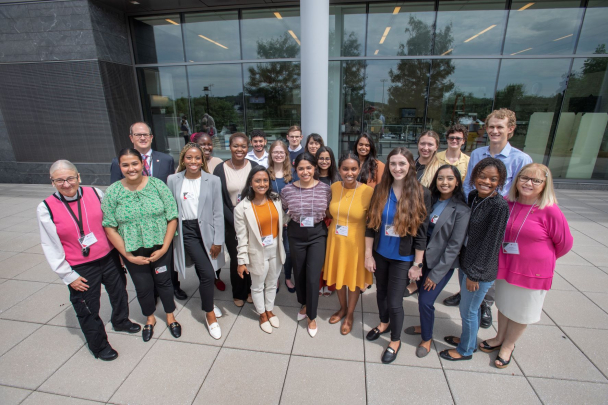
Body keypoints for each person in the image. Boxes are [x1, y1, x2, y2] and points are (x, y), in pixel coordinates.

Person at [37, 160, 140, 361]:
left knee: (119, 292)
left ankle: (120, 320)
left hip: (108, 256)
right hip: (80, 266)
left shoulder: (95, 193)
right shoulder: (45, 208)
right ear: (52, 182)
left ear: (79, 177)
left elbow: (111, 223)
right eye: (60, 180)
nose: (66, 184)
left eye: (70, 178)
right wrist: (67, 275)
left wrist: (120, 252)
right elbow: (50, 245)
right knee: (87, 307)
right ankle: (99, 346)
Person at [444, 109, 533, 328]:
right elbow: (468, 184)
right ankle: (464, 292)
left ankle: (485, 303)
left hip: (498, 220)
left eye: (499, 127)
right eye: (491, 126)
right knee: (467, 252)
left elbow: (524, 193)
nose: (494, 131)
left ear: (510, 129)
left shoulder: (521, 159)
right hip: (473, 215)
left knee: (488, 258)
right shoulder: (478, 154)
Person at [481, 163, 572, 368]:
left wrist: (540, 258)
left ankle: (509, 345)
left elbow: (565, 244)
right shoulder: (507, 203)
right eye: (524, 178)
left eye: (536, 180)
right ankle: (499, 337)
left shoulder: (550, 211)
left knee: (523, 310)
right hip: (506, 265)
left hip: (532, 271)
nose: (528, 183)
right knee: (504, 305)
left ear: (545, 184)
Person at [102, 148, 181, 342]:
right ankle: (150, 318)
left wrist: (164, 247)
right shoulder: (113, 191)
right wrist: (127, 255)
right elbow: (110, 227)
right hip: (132, 249)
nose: (131, 168)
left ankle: (170, 316)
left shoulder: (157, 185)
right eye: (125, 165)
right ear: (119, 167)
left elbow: (172, 217)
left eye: (134, 163)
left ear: (142, 164)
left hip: (160, 246)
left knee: (164, 281)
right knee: (143, 285)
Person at [363, 147, 431, 363]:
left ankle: (395, 340)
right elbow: (371, 225)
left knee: (394, 300)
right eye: (393, 164)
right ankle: (384, 323)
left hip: (403, 257)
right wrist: (368, 255)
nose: (397, 168)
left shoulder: (422, 193)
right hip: (381, 253)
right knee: (381, 293)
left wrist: (417, 265)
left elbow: (421, 233)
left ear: (410, 165)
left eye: (402, 163)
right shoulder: (381, 190)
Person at [440, 157, 510, 362]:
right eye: (482, 176)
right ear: (474, 176)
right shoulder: (474, 196)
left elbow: (491, 244)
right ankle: (467, 340)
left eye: (493, 179)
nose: (486, 182)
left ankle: (465, 350)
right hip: (467, 261)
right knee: (471, 309)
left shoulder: (499, 206)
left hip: (479, 270)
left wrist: (475, 275)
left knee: (468, 310)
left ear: (501, 181)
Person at [109, 122, 187, 301]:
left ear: (152, 137)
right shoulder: (119, 162)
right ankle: (152, 291)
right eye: (138, 135)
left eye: (145, 135)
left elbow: (170, 188)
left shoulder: (166, 159)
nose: (142, 138)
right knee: (143, 260)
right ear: (131, 138)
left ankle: (173, 286)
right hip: (135, 221)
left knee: (166, 256)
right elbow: (113, 190)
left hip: (159, 218)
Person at [404, 165, 470, 358]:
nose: (445, 182)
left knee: (426, 300)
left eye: (450, 178)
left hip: (439, 264)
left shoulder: (462, 210)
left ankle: (426, 338)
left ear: (457, 181)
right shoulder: (430, 199)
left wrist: (436, 274)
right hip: (420, 258)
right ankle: (425, 324)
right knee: (422, 301)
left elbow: (454, 247)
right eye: (441, 178)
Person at [167, 143, 225, 340]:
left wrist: (218, 240)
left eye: (197, 158)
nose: (193, 162)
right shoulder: (173, 180)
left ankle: (208, 301)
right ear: (183, 159)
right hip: (187, 231)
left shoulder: (213, 180)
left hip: (207, 231)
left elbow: (218, 212)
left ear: (203, 160)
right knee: (208, 274)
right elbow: (171, 209)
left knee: (205, 273)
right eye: (189, 158)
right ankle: (209, 315)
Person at [280, 153, 332, 337]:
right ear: (295, 169)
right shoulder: (287, 190)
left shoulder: (325, 189)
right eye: (301, 168)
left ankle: (312, 316)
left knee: (312, 276)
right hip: (296, 233)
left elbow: (329, 210)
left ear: (315, 168)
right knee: (299, 272)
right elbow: (284, 211)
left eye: (308, 168)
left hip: (317, 234)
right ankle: (303, 303)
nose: (305, 172)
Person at [324, 152, 375, 335]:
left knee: (353, 280)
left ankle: (350, 314)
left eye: (354, 169)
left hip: (356, 242)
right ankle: (342, 308)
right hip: (336, 240)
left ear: (359, 169)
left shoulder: (368, 192)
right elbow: (329, 212)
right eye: (345, 169)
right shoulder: (335, 187)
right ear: (339, 169)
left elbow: (374, 221)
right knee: (339, 278)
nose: (349, 172)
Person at [235, 166, 286, 334]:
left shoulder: (276, 199)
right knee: (257, 286)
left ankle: (270, 309)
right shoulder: (242, 208)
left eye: (265, 180)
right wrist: (241, 261)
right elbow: (242, 237)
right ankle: (262, 314)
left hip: (275, 250)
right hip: (257, 252)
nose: (262, 184)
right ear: (251, 182)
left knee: (272, 283)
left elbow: (283, 219)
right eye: (258, 180)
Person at [213, 133, 260, 307]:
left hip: (252, 220)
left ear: (247, 147)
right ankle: (238, 292)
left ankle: (249, 290)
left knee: (251, 257)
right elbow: (218, 200)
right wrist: (235, 221)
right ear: (230, 147)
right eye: (236, 146)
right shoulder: (220, 169)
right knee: (237, 258)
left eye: (243, 146)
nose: (239, 149)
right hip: (231, 222)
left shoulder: (254, 166)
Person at [267, 140, 296, 293]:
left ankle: (288, 277)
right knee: (273, 251)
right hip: (270, 220)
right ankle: (275, 278)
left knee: (288, 250)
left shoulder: (293, 175)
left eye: (281, 152)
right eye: (275, 152)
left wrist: (288, 216)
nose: (278, 155)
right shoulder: (265, 174)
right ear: (271, 154)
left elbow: (298, 196)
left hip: (289, 221)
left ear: (286, 155)